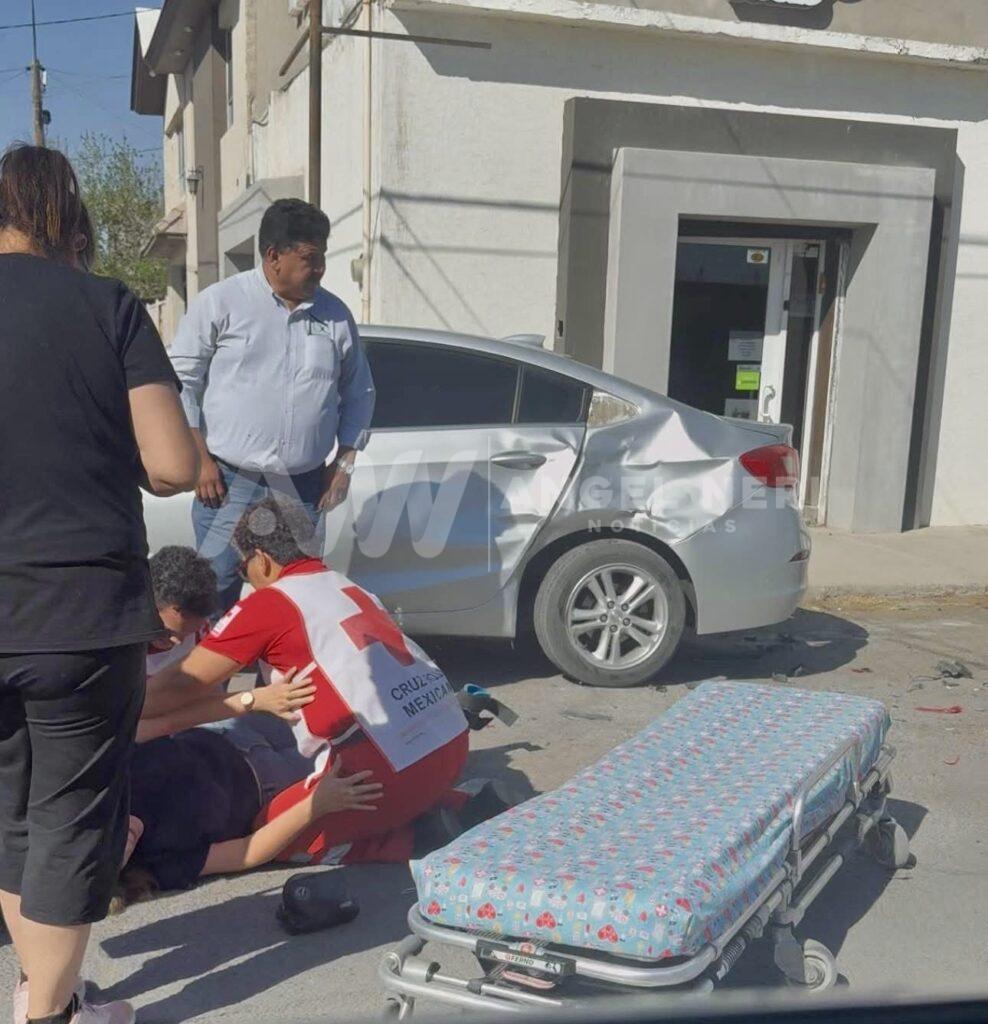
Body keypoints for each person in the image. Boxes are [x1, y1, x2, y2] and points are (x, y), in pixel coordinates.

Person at [0, 144, 199, 1024]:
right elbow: (173, 465)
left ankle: (43, 993)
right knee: (70, 822)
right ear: (69, 222)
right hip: (78, 615)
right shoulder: (107, 305)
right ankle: (50, 1015)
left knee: (9, 818)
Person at [145, 497, 512, 868]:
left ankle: (415, 836)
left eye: (244, 569)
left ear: (262, 560)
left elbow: (174, 688)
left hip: (384, 770)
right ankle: (453, 804)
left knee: (272, 833)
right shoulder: (347, 586)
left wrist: (121, 704)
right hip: (449, 743)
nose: (248, 579)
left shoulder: (271, 603)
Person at [169, 198, 376, 616]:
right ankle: (212, 663)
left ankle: (281, 663)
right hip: (225, 483)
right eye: (310, 258)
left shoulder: (335, 316)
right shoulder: (222, 303)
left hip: (301, 488)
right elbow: (180, 382)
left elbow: (360, 392)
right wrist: (199, 459)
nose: (320, 269)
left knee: (295, 597)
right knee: (213, 593)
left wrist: (344, 465)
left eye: (323, 258)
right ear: (273, 255)